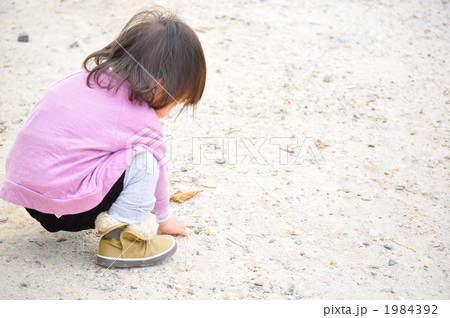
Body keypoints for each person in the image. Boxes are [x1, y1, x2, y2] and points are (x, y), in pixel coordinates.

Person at [0, 8, 207, 268]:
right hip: (69, 211)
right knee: (145, 160)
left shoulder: (77, 81)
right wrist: (163, 219)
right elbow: (158, 176)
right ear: (160, 84)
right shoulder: (143, 119)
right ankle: (122, 241)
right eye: (178, 99)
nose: (173, 108)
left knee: (115, 150)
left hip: (29, 198)